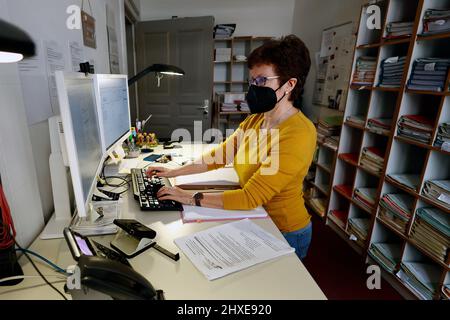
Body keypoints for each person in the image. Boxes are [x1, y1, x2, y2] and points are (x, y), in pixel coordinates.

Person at [147, 35, 317, 260]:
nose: (253, 88)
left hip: (283, 230)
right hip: (257, 218)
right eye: (252, 81)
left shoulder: (298, 133)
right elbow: (220, 155)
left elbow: (250, 197)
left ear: (290, 84)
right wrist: (173, 172)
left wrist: (187, 196)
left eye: (261, 81)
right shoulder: (257, 119)